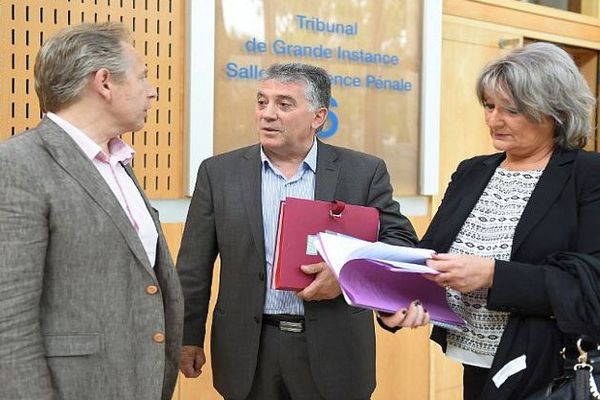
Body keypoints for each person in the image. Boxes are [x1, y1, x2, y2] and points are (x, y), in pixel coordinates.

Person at [177, 62, 422, 400]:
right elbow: (193, 265)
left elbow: (400, 244)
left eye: (284, 104)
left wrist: (346, 274)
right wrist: (188, 335)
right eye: (262, 102)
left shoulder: (363, 172)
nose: (267, 114)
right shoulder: (219, 174)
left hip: (335, 350)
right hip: (249, 349)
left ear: (318, 116)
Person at [381, 42, 600, 399]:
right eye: (489, 105)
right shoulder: (472, 171)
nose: (494, 119)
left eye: (511, 110)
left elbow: (591, 283)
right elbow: (431, 255)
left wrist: (493, 275)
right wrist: (397, 304)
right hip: (476, 360)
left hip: (553, 368)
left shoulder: (588, 174)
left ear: (555, 112)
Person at [0, 23, 183, 400]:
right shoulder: (18, 164)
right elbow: (9, 321)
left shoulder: (118, 164)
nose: (152, 90)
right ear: (103, 82)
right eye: (142, 77)